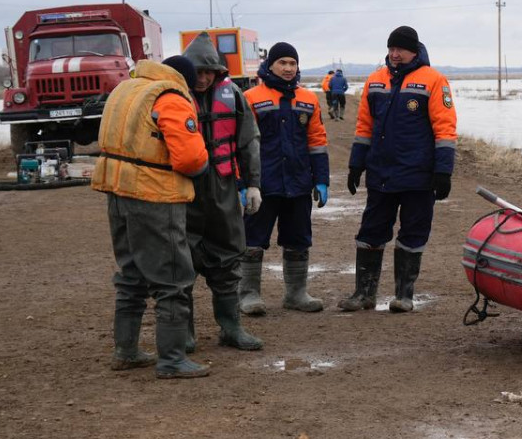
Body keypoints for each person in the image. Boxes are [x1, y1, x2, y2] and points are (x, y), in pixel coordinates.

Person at [91, 55, 211, 379]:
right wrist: (204, 166)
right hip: (155, 195)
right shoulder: (170, 97)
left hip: (118, 192)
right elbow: (188, 158)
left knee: (131, 273)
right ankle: (172, 359)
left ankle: (125, 351)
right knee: (173, 277)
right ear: (181, 77)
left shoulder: (125, 90)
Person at [343, 25, 456, 313]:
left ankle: (403, 296)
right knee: (370, 232)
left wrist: (443, 171)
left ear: (414, 51)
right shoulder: (375, 80)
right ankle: (364, 295)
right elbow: (364, 127)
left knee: (413, 233)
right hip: (381, 173)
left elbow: (445, 129)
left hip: (419, 175)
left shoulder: (434, 80)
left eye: (400, 49)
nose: (394, 54)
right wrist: (356, 164)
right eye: (391, 49)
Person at [181, 32, 264, 352]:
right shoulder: (170, 97)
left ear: (218, 72)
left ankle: (231, 328)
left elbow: (248, 142)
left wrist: (253, 184)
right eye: (196, 72)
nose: (202, 79)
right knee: (180, 262)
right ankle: (183, 335)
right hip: (182, 191)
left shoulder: (234, 96)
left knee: (229, 257)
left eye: (208, 72)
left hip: (224, 188)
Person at [241, 42, 330, 314]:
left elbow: (316, 141)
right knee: (252, 240)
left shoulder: (308, 99)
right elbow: (241, 145)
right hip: (262, 184)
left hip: (298, 183)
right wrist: (243, 183)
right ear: (271, 65)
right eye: (283, 63)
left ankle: (296, 294)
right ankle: (248, 295)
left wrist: (321, 179)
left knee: (298, 239)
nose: (288, 68)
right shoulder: (250, 97)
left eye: (293, 63)